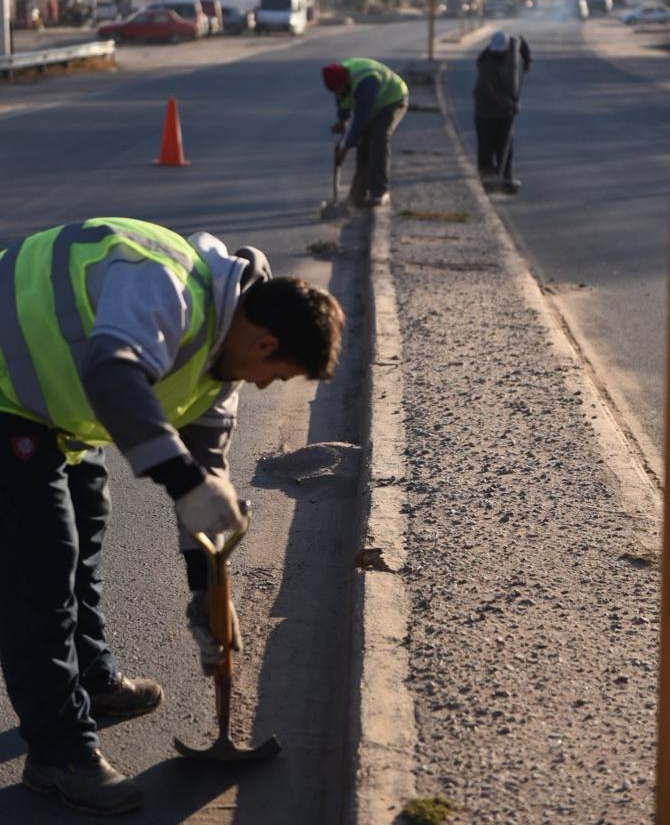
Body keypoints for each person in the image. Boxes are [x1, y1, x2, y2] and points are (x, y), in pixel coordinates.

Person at [0, 216, 344, 816]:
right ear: (265, 344)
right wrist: (183, 480)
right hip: (6, 393)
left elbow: (205, 481)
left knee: (85, 532)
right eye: (279, 374)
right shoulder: (164, 283)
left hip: (47, 406)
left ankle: (92, 682)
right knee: (41, 570)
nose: (266, 387)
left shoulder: (223, 367)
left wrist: (206, 596)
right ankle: (58, 755)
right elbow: (112, 373)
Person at [321, 58, 409, 208]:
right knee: (363, 147)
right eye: (335, 91)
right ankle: (356, 198)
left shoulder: (365, 81)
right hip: (374, 105)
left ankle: (381, 192)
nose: (338, 93)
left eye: (340, 89)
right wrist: (342, 120)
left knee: (379, 138)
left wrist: (345, 148)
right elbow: (343, 100)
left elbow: (362, 119)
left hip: (393, 99)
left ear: (346, 82)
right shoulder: (340, 82)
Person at [473, 30, 532, 193]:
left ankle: (505, 176)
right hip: (486, 110)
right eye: (496, 53)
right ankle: (487, 176)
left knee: (505, 143)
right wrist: (509, 105)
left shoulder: (513, 45)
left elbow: (522, 41)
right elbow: (489, 91)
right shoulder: (485, 61)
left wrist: (527, 59)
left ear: (506, 48)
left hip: (507, 111)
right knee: (486, 144)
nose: (498, 55)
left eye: (501, 52)